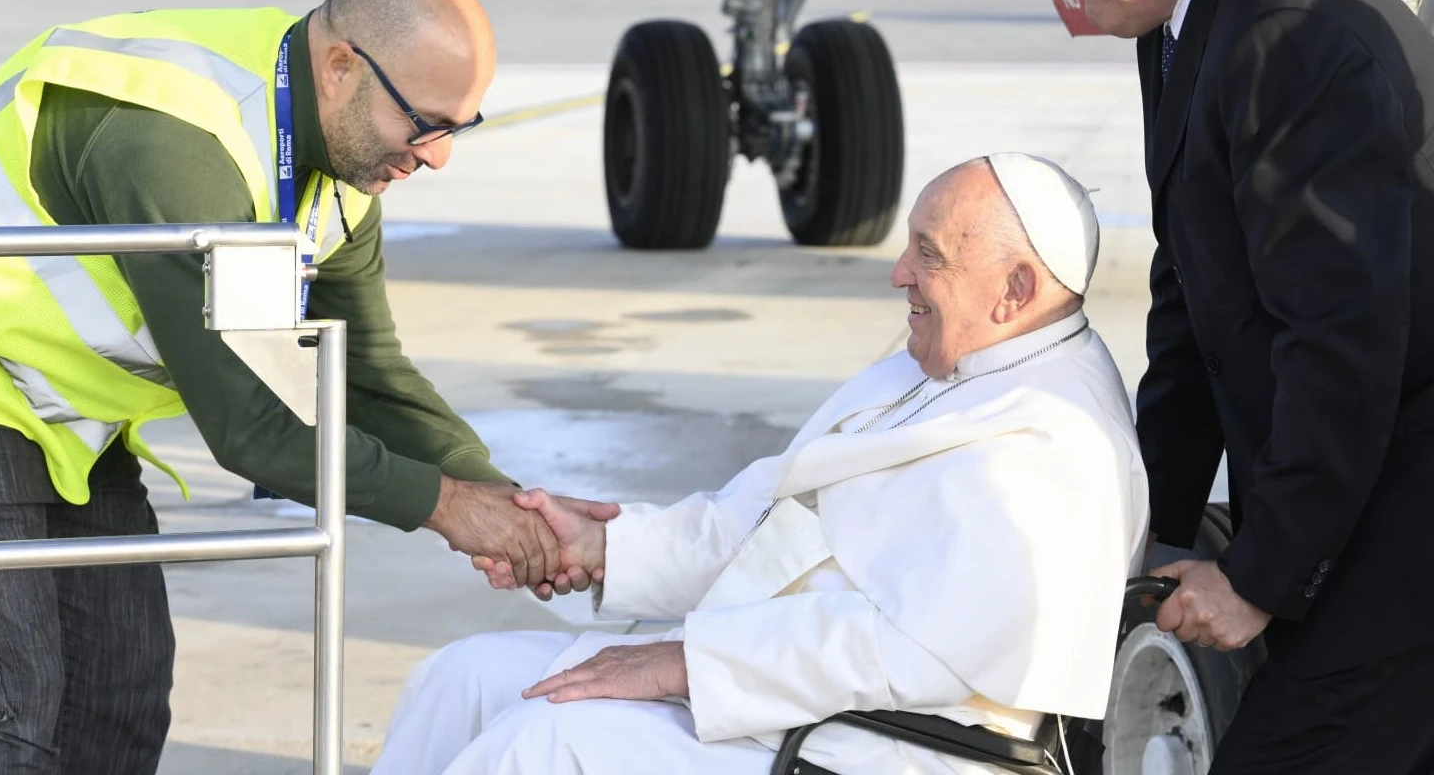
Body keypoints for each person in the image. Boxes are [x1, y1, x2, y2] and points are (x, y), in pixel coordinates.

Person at [0, 0, 608, 774]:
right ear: (342, 66)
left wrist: (498, 493)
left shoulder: (341, 169)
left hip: (55, 407)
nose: (438, 155)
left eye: (459, 128)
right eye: (425, 122)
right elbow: (252, 427)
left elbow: (368, 370)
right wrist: (450, 509)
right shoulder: (177, 142)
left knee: (118, 698)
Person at [370, 154, 1150, 775]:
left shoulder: (1058, 444)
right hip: (779, 697)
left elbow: (908, 652)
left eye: (928, 254)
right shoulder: (942, 362)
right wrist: (600, 546)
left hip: (885, 746)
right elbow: (765, 521)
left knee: (541, 743)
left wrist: (683, 664)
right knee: (464, 676)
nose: (898, 274)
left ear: (1016, 289)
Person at [1029, 0, 1434, 772]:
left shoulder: (1291, 35)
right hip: (1346, 516)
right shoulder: (1188, 17)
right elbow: (1196, 293)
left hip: (1402, 534)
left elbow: (1339, 341)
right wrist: (1149, 523)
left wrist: (1255, 574)